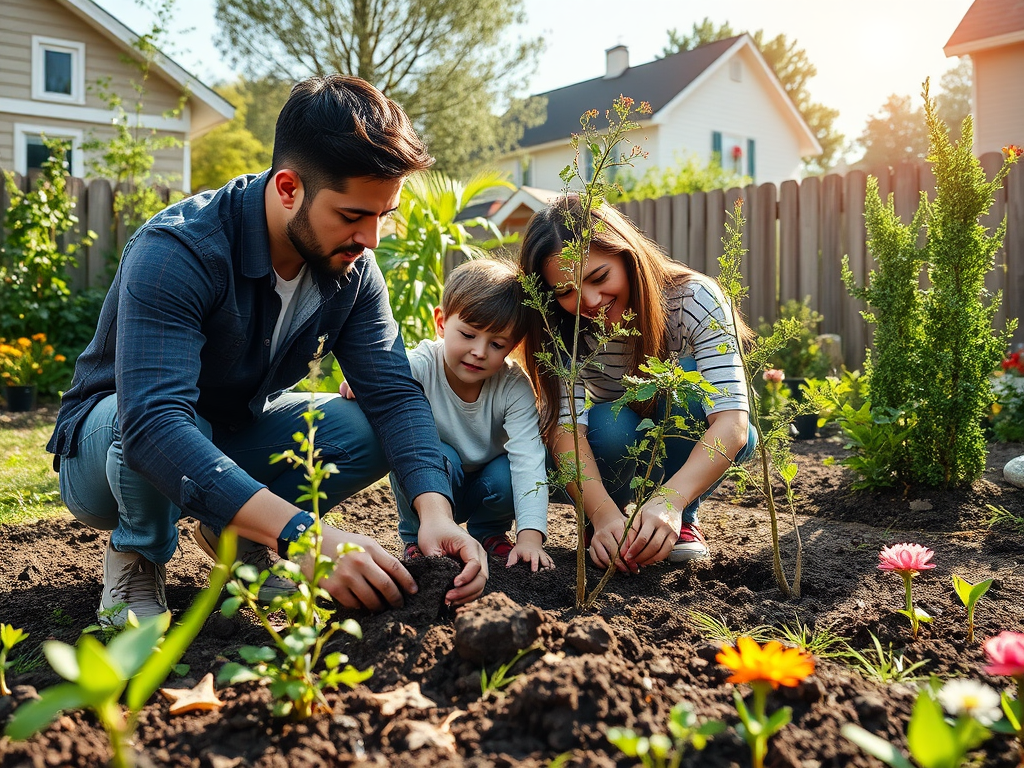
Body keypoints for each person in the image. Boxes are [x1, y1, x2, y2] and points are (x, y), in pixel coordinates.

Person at [46, 75, 488, 625]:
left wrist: (435, 509)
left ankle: (235, 539)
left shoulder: (352, 268)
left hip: (229, 431)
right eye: (353, 215)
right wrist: (306, 537)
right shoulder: (178, 251)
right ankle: (137, 553)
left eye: (384, 215)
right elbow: (154, 425)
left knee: (369, 422)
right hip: (107, 453)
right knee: (144, 415)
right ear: (287, 189)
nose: (372, 238)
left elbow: (394, 394)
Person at [517, 195, 757, 573]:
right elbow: (565, 430)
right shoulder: (562, 328)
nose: (590, 301)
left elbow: (733, 425)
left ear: (628, 257)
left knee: (688, 390)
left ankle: (681, 520)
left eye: (599, 277)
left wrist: (672, 500)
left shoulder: (695, 299)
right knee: (610, 425)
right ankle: (610, 527)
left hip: (679, 441)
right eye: (565, 292)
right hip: (619, 442)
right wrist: (603, 515)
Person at [340, 258, 554, 571]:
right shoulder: (421, 364)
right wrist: (364, 384)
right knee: (420, 449)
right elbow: (383, 380)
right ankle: (415, 536)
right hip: (434, 478)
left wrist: (531, 537)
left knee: (507, 471)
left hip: (487, 485)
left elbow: (528, 460)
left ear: (513, 346)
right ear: (441, 322)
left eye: (496, 343)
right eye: (468, 335)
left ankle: (489, 532)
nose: (479, 351)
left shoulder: (514, 387)